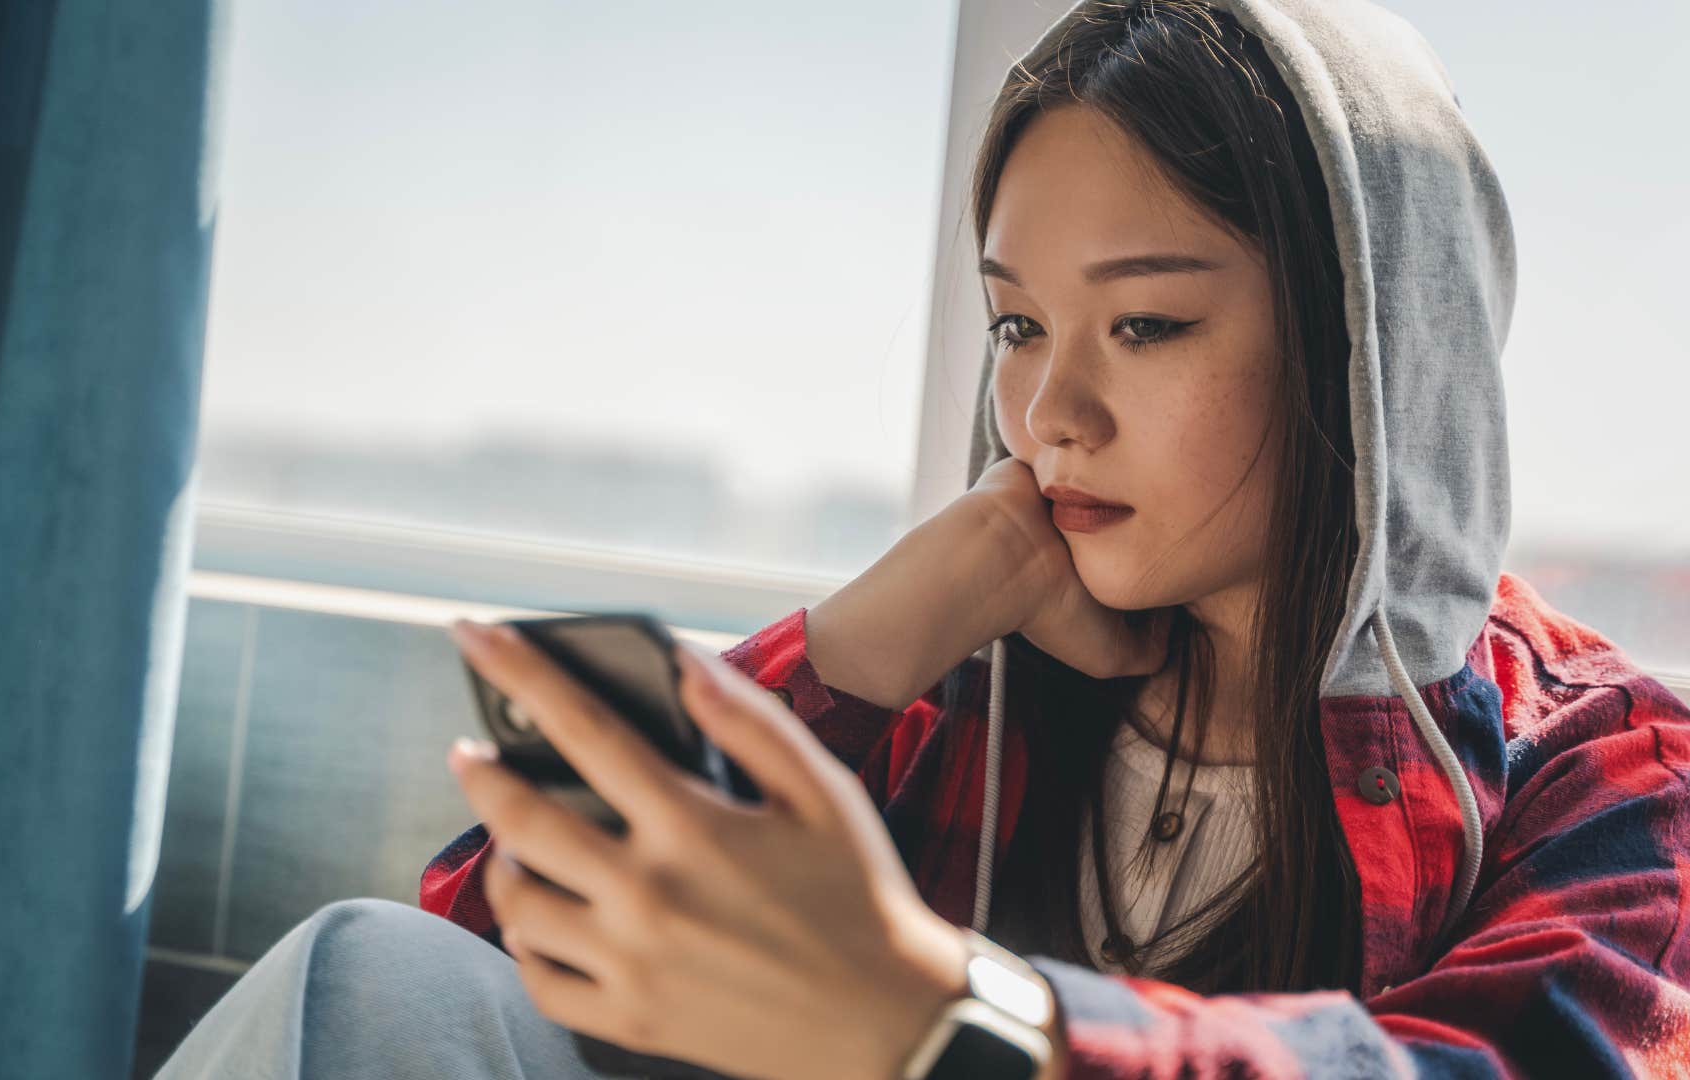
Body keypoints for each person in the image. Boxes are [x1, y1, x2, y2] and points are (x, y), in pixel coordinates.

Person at [153, 0, 1690, 1077]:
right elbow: (497, 948)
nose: (1048, 412)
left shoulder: (1616, 769)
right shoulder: (981, 662)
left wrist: (943, 1019)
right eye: (1018, 320)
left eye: (1146, 324)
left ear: (1375, 358)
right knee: (364, 970)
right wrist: (864, 641)